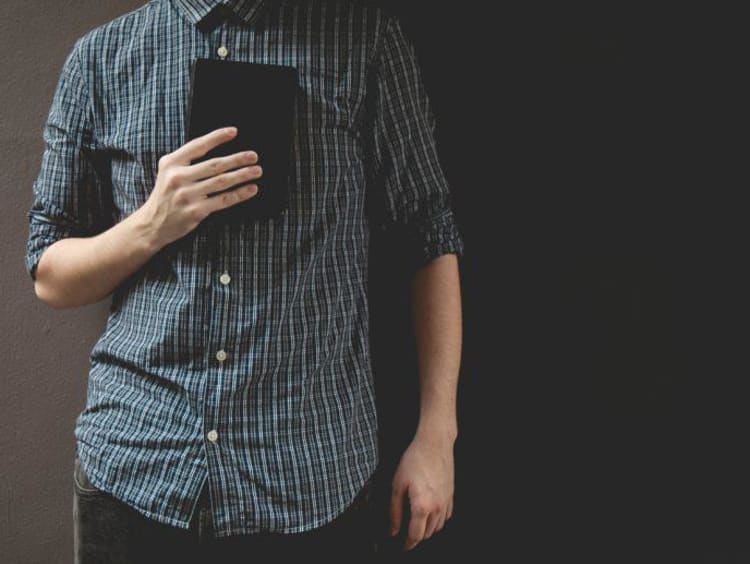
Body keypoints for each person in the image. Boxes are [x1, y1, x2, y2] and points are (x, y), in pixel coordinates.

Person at [25, 0, 465, 562]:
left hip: (310, 478)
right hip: (136, 470)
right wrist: (151, 224)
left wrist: (437, 437)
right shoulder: (101, 58)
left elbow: (428, 234)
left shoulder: (364, 42)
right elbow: (49, 275)